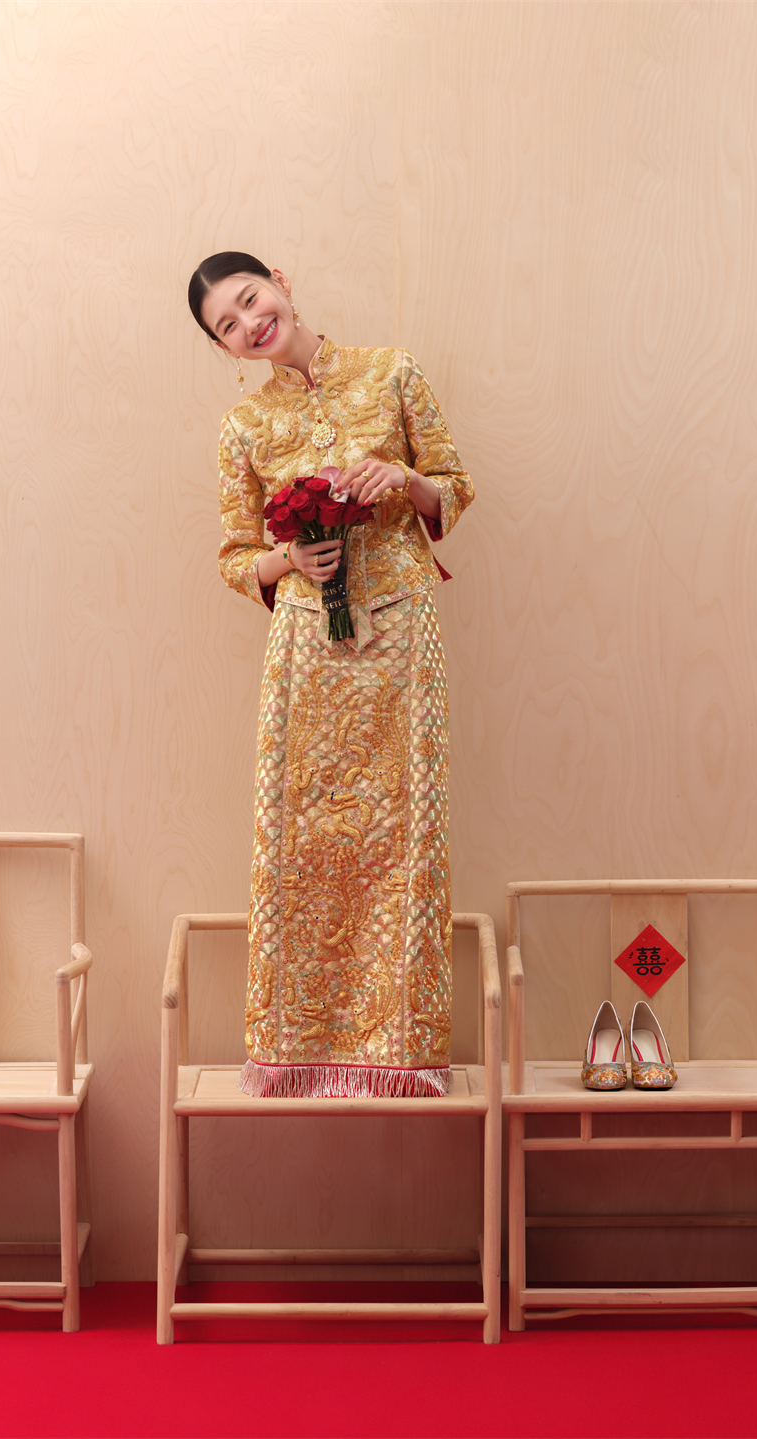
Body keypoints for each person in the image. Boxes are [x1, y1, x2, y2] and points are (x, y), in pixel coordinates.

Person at [188, 251, 474, 1098]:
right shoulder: (243, 428)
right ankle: (295, 1049)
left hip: (401, 629)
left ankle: (403, 1052)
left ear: (280, 280)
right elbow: (234, 556)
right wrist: (289, 560)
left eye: (251, 300)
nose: (250, 324)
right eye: (228, 327)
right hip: (308, 648)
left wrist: (405, 479)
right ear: (224, 348)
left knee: (406, 826)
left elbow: (456, 489)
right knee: (302, 833)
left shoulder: (391, 372)